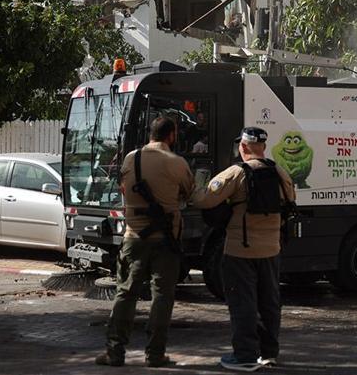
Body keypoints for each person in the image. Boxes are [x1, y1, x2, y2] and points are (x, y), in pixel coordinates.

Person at [193, 127, 295, 372]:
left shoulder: (237, 172)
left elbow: (205, 199)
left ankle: (245, 356)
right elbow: (291, 201)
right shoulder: (280, 171)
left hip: (240, 250)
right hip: (271, 249)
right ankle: (269, 353)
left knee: (243, 303)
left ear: (243, 147)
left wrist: (194, 187)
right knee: (269, 302)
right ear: (263, 147)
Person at [96, 116, 194, 368]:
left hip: (134, 238)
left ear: (150, 134)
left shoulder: (131, 158)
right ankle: (155, 354)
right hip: (166, 240)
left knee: (126, 293)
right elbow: (189, 192)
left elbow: (123, 189)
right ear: (171, 135)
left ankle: (114, 352)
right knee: (162, 296)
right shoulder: (177, 162)